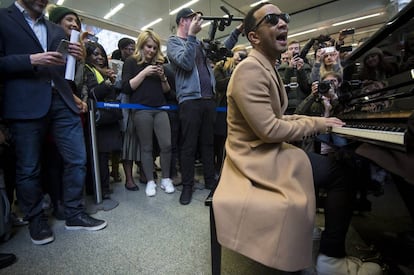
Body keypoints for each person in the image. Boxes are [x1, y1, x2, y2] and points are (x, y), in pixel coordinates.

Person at [212, 2, 382, 274]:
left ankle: (312, 237)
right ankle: (331, 259)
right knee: (343, 172)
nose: (282, 23)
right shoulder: (250, 70)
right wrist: (316, 124)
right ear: (253, 37)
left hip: (266, 151)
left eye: (284, 17)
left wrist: (318, 121)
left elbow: (277, 120)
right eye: (271, 19)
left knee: (340, 165)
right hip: (255, 159)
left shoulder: (265, 65)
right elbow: (271, 130)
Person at [0, 0, 107, 245]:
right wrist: (31, 60)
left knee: (77, 159)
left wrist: (77, 58)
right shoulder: (3, 19)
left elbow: (64, 71)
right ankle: (35, 217)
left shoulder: (55, 30)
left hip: (61, 100)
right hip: (24, 102)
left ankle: (74, 212)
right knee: (29, 167)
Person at [122, 30, 174, 197]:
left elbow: (166, 91)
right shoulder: (131, 62)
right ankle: (150, 181)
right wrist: (144, 72)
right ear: (141, 45)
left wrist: (163, 78)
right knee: (146, 147)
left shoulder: (159, 64)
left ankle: (166, 178)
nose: (151, 50)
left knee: (166, 145)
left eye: (154, 47)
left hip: (160, 108)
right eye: (148, 47)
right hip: (141, 109)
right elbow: (127, 87)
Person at [83, 41, 122, 199]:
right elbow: (91, 95)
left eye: (101, 54)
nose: (99, 57)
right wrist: (107, 83)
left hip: (108, 118)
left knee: (105, 154)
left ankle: (103, 187)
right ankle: (100, 189)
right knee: (99, 156)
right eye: (95, 54)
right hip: (96, 120)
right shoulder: (87, 70)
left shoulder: (106, 72)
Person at [213, 44, 247, 175]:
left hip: (239, 111)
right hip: (222, 110)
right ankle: (219, 168)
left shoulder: (247, 70)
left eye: (244, 55)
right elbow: (219, 85)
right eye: (239, 54)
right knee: (221, 142)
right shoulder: (221, 66)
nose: (241, 57)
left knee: (236, 142)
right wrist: (236, 73)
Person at [283, 40, 312, 114]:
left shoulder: (306, 67)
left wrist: (301, 70)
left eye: (296, 48)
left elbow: (307, 89)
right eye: (291, 49)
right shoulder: (281, 69)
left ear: (299, 51)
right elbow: (282, 87)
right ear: (287, 52)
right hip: (287, 107)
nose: (293, 51)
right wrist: (289, 68)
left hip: (304, 105)